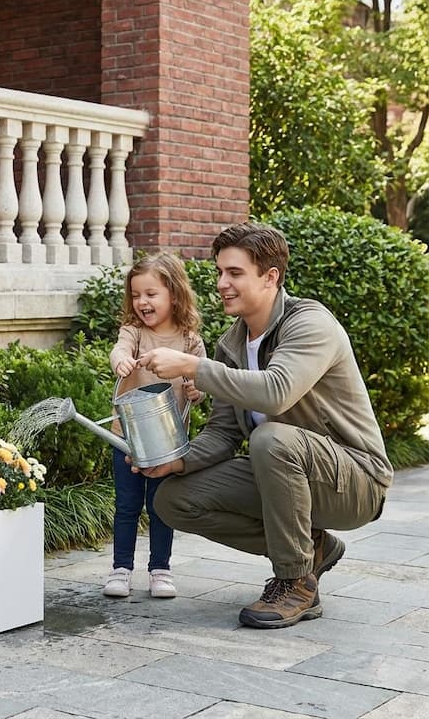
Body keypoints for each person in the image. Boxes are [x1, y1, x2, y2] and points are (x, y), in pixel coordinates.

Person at [134, 223, 392, 628]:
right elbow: (222, 433)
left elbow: (276, 392)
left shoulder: (310, 323)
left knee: (271, 439)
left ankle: (295, 582)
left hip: (355, 480)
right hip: (283, 472)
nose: (222, 283)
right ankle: (312, 549)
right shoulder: (232, 345)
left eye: (234, 273)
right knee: (173, 500)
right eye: (219, 272)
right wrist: (176, 462)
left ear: (270, 276)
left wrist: (194, 367)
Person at [103, 253, 206, 599]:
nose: (142, 302)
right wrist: (121, 361)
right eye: (136, 295)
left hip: (168, 442)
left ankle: (160, 569)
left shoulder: (189, 340)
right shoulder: (133, 332)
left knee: (161, 506)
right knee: (127, 505)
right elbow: (119, 350)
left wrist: (197, 389)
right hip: (128, 438)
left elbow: (203, 379)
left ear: (173, 294)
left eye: (151, 294)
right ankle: (121, 568)